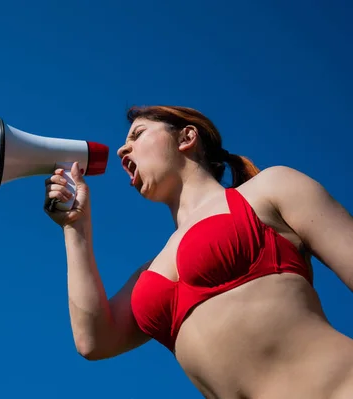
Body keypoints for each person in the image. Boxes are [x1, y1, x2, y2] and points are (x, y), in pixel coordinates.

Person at [43, 105, 353, 399]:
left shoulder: (269, 188)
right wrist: (75, 226)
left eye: (137, 134)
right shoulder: (149, 273)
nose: (123, 150)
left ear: (187, 138)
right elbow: (94, 341)